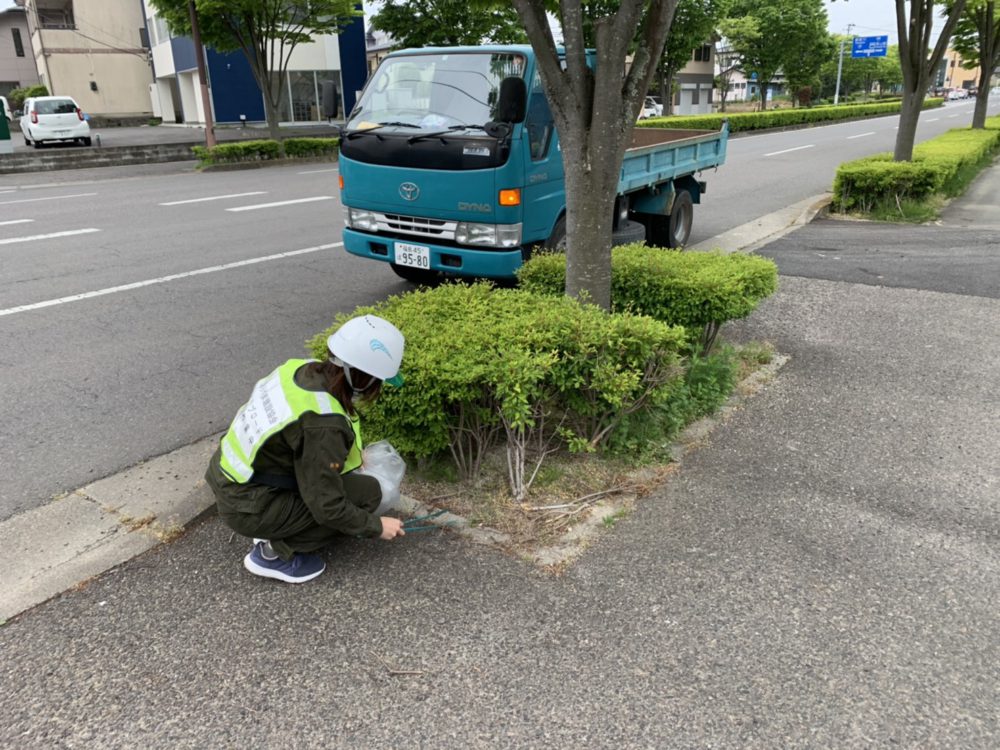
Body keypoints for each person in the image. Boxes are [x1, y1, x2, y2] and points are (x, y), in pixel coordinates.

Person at [205, 314, 407, 584]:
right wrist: (376, 526)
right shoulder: (324, 424)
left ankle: (276, 523)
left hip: (236, 481)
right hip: (248, 505)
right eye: (378, 381)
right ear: (363, 379)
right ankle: (274, 553)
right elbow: (327, 506)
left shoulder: (301, 370)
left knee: (346, 488)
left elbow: (302, 446)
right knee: (368, 494)